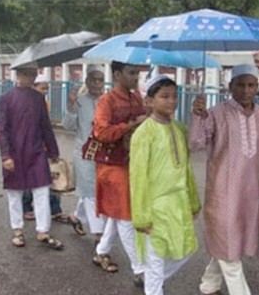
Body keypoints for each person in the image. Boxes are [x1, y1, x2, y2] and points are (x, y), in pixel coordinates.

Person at [190, 64, 259, 295]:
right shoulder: (215, 113)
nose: (246, 90)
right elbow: (195, 144)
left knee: (230, 245)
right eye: (240, 84)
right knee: (229, 248)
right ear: (229, 86)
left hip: (248, 193)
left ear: (257, 86)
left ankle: (209, 285)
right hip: (222, 195)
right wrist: (197, 116)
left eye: (251, 84)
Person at [130, 75, 201, 295]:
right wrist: (141, 216)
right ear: (149, 101)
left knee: (186, 249)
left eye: (174, 96)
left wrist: (193, 201)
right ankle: (153, 283)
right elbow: (137, 177)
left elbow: (187, 169)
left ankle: (153, 278)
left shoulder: (179, 129)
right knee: (156, 257)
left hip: (178, 204)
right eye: (164, 96)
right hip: (154, 206)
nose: (171, 101)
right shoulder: (144, 133)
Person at [92, 61, 147, 287]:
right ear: (117, 74)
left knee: (118, 212)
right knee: (125, 216)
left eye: (138, 73)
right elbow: (102, 132)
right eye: (131, 73)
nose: (136, 77)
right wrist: (131, 124)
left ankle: (101, 251)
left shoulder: (137, 98)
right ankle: (140, 269)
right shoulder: (107, 100)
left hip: (132, 163)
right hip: (112, 165)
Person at [0, 67, 64, 249]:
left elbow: (46, 127)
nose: (32, 77)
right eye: (29, 74)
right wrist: (5, 155)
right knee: (15, 193)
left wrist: (53, 152)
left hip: (36, 152)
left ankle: (43, 230)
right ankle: (17, 230)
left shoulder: (38, 98)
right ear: (19, 75)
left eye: (34, 74)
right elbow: (2, 130)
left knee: (42, 190)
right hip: (14, 153)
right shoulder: (6, 98)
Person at [22, 74, 85, 236]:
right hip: (31, 147)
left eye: (46, 89)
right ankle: (26, 206)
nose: (44, 92)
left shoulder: (45, 104)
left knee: (52, 176)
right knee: (32, 179)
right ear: (33, 88)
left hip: (44, 145)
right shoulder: (26, 105)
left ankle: (55, 208)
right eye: (42, 88)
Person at [62, 66, 107, 241]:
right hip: (84, 153)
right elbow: (68, 126)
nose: (97, 83)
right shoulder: (79, 100)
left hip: (104, 154)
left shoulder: (107, 101)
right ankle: (99, 235)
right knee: (89, 191)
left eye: (100, 80)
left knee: (95, 189)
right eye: (93, 80)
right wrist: (71, 106)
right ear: (87, 82)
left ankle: (76, 217)